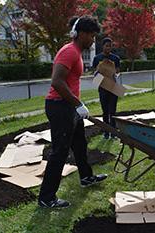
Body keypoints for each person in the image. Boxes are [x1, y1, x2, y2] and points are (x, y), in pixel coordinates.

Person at [39, 15, 107, 209]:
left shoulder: (75, 52)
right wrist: (78, 104)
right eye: (92, 36)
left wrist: (76, 105)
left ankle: (86, 177)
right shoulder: (69, 51)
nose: (93, 40)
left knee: (79, 143)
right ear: (82, 34)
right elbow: (57, 82)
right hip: (59, 106)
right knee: (59, 152)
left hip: (68, 106)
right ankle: (47, 197)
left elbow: (68, 82)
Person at [92, 38, 120, 139]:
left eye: (110, 46)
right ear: (103, 46)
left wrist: (115, 74)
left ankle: (113, 132)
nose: (108, 47)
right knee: (105, 111)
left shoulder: (115, 58)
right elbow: (95, 73)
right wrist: (97, 74)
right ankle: (106, 132)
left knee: (113, 111)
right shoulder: (97, 58)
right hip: (103, 87)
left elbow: (117, 71)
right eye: (106, 45)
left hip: (113, 87)